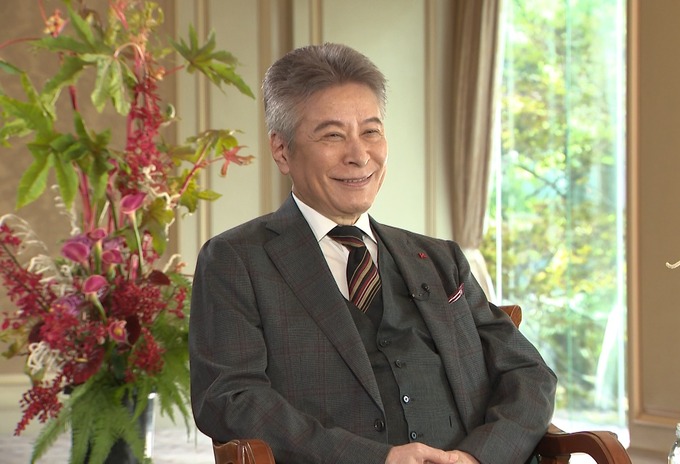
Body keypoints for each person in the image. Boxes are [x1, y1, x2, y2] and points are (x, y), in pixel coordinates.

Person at [189, 43, 557, 464]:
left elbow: (528, 373)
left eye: (371, 132)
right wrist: (375, 459)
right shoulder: (236, 261)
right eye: (332, 135)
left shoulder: (440, 259)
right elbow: (231, 399)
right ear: (282, 150)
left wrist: (477, 458)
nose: (359, 155)